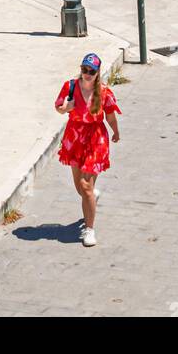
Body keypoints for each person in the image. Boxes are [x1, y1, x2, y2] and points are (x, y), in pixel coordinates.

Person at [55, 52, 120, 248]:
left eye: (91, 71)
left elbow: (110, 116)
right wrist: (67, 108)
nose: (87, 74)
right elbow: (58, 107)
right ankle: (92, 196)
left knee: (84, 185)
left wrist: (116, 132)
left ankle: (89, 229)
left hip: (96, 139)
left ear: (98, 72)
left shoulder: (105, 92)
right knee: (80, 187)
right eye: (84, 70)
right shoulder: (70, 86)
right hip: (74, 137)